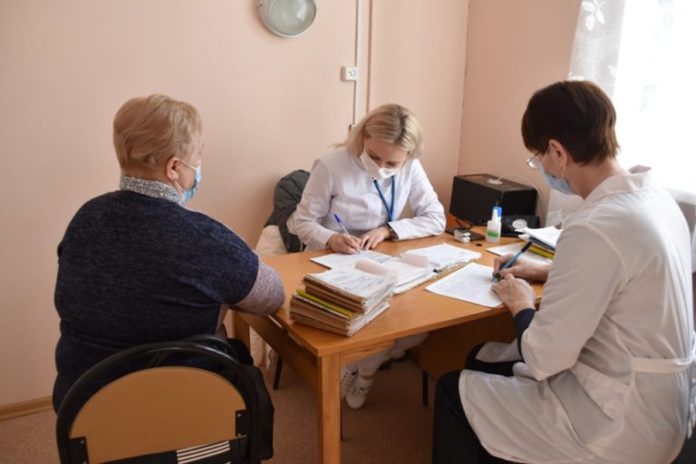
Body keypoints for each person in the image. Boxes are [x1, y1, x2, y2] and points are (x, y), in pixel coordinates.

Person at [432, 80, 695, 463]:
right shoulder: (655, 200)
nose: (542, 167)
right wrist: (546, 271)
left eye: (538, 157)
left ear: (557, 151)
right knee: (481, 358)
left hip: (618, 420)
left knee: (452, 389)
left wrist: (522, 303)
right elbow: (627, 279)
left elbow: (543, 358)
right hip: (667, 401)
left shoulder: (595, 226)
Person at [53, 94, 285, 411]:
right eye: (197, 158)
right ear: (174, 167)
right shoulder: (203, 238)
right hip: (174, 409)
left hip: (82, 406)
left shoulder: (85, 218)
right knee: (244, 375)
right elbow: (272, 296)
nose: (198, 167)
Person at [288, 103, 446, 409]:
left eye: (392, 163)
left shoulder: (411, 166)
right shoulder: (332, 165)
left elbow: (436, 218)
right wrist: (331, 237)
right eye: (374, 156)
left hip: (382, 260)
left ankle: (358, 370)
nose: (382, 167)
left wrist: (388, 230)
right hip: (331, 260)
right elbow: (301, 222)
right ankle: (363, 375)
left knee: (420, 328)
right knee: (376, 323)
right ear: (363, 137)